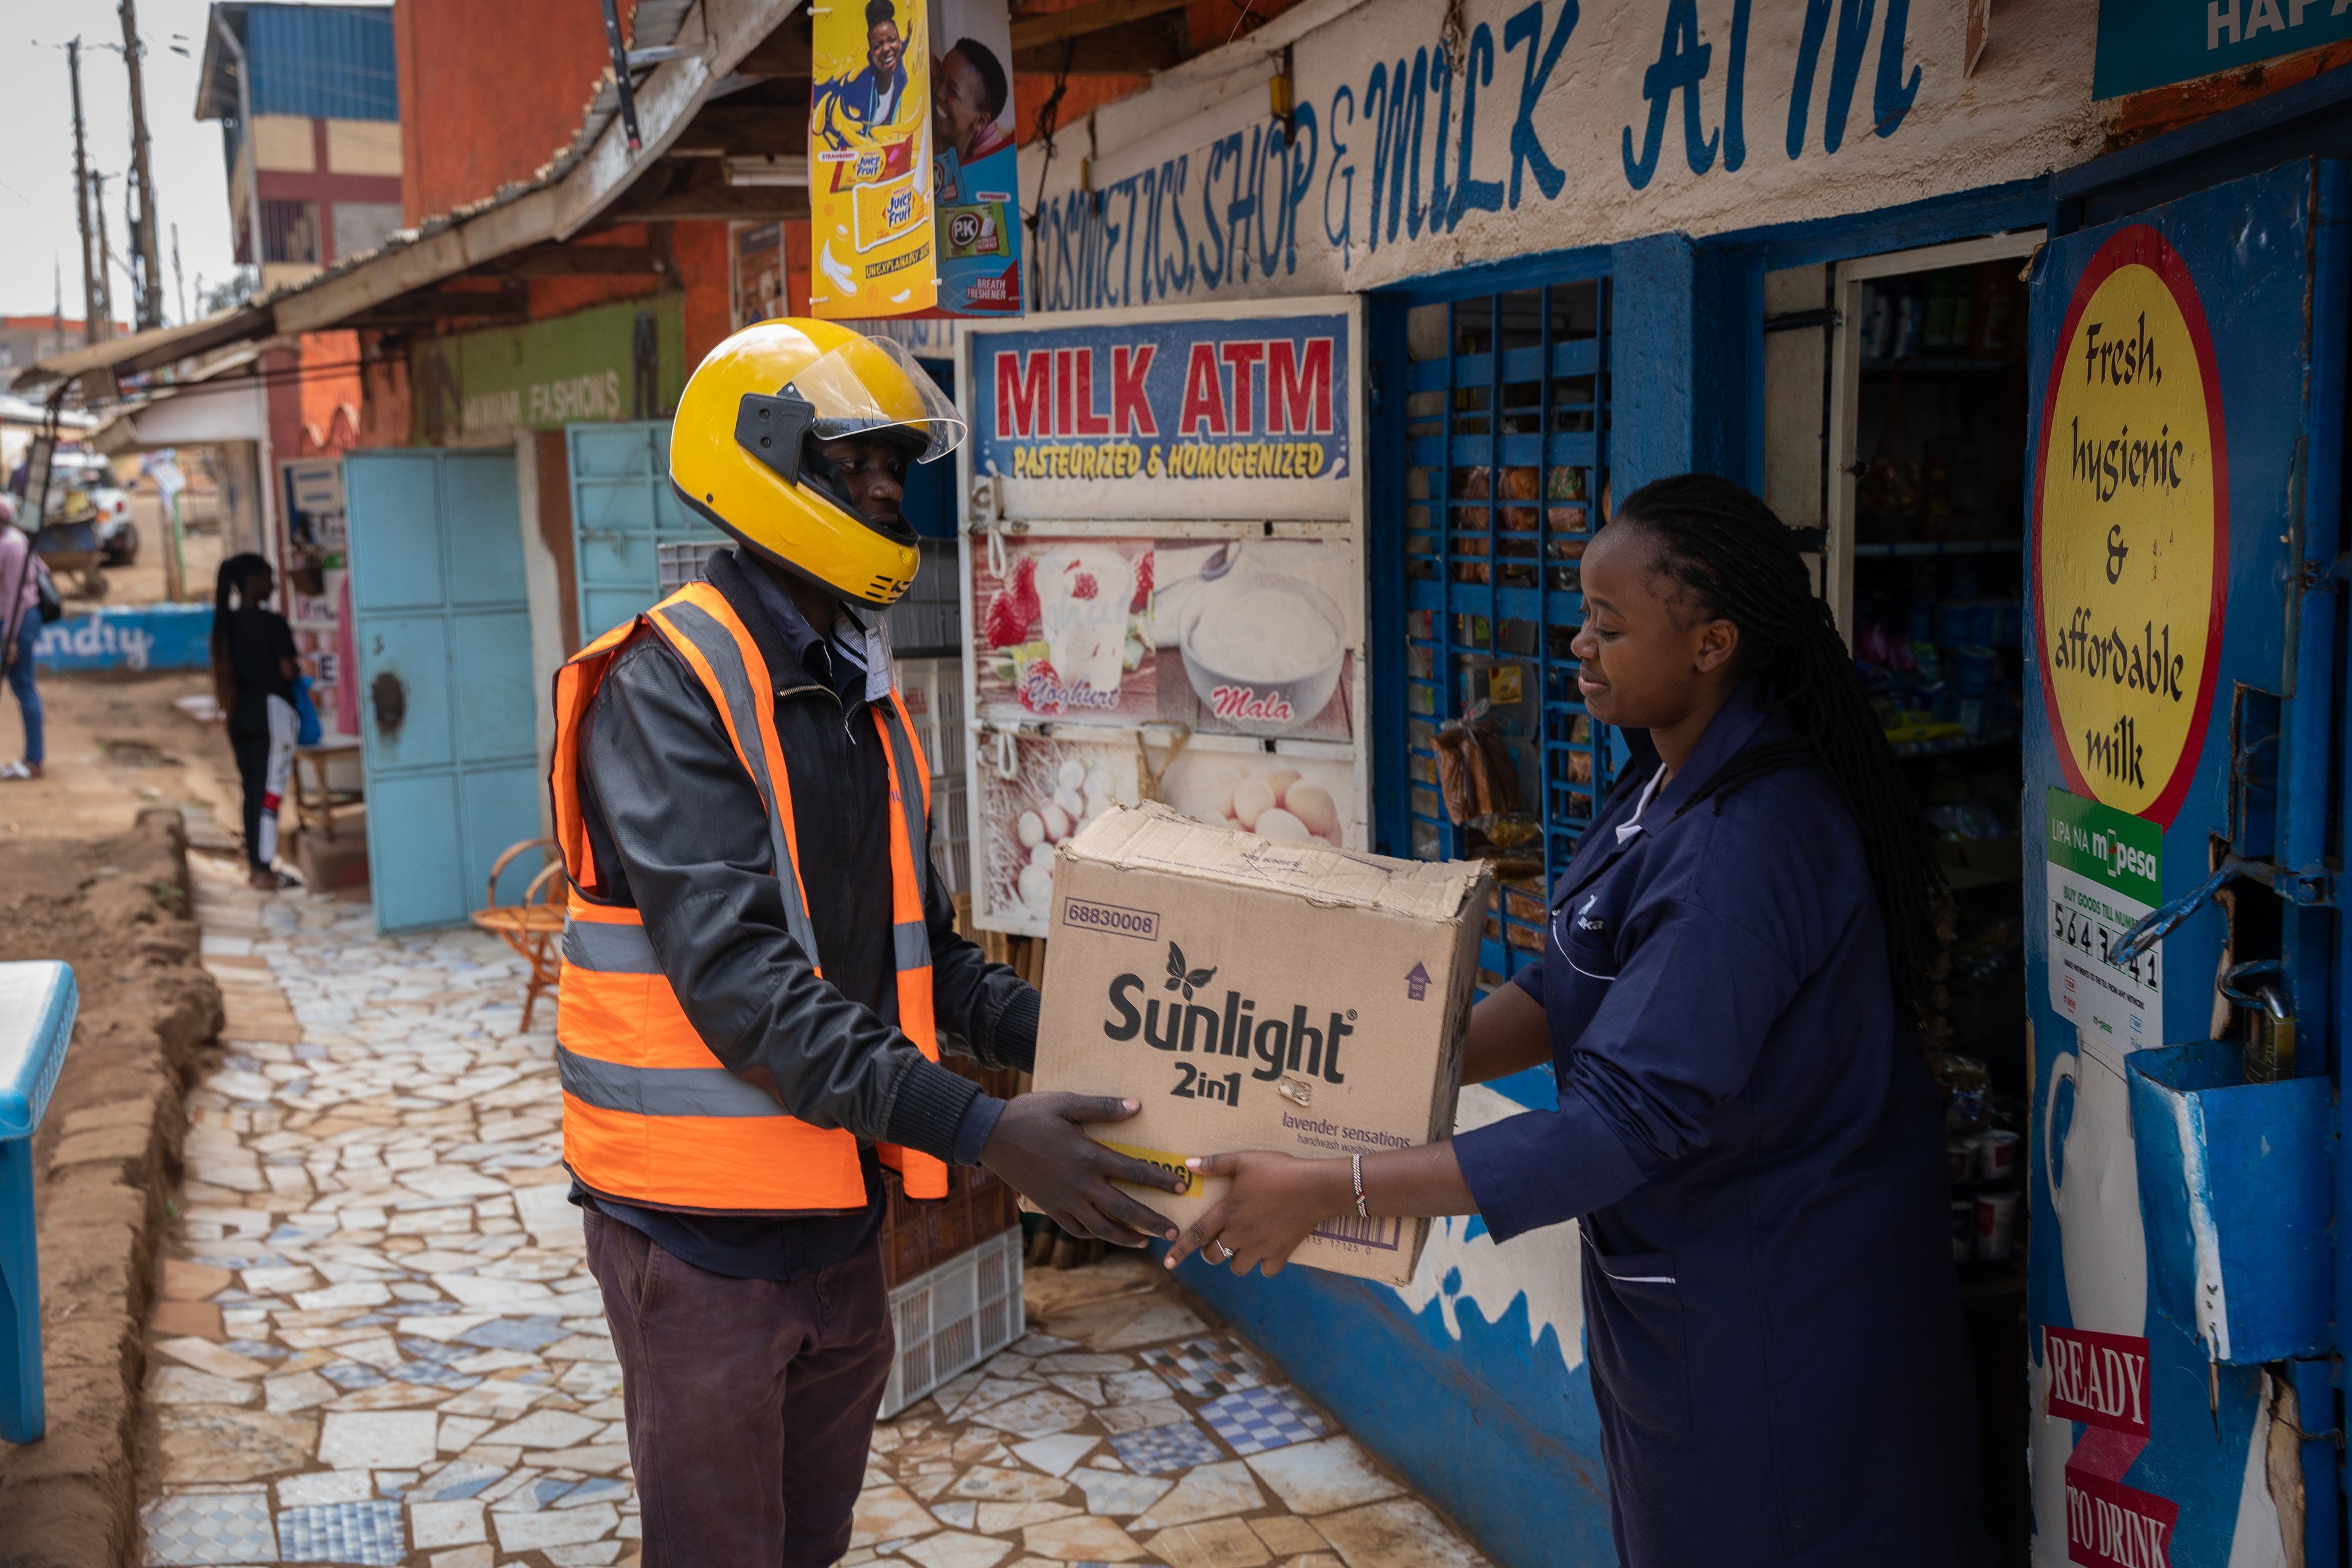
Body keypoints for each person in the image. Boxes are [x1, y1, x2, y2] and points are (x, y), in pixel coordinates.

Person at [1164, 475, 1987, 1567]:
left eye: (1609, 625)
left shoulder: (1746, 848)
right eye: (1579, 618)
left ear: (1713, 644)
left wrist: (1332, 1187)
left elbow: (1614, 1130)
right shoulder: (1662, 782)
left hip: (1779, 1322)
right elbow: (1567, 990)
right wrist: (1351, 1065)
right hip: (1683, 1308)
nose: (1580, 648)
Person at [552, 318, 1184, 1568]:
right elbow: (744, 985)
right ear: (761, 465)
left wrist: (1090, 1029)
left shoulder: (859, 695)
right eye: (857, 465)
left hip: (838, 1213)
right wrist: (989, 1132)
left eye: (898, 464)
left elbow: (921, 952)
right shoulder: (668, 685)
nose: (890, 491)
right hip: (696, 1236)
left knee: (810, 1542)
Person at [211, 553, 300, 889]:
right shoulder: (272, 624)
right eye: (268, 578)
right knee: (270, 791)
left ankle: (257, 865)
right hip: (271, 711)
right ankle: (263, 870)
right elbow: (288, 671)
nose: (274, 584)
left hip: (239, 712)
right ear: (252, 583)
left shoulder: (226, 623)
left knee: (251, 789)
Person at [0, 497, 43, 781]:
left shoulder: (13, 545)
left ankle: (34, 759)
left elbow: (14, 595)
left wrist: (10, 640)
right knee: (21, 686)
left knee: (24, 686)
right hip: (10, 622)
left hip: (17, 622)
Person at [932, 37, 1011, 167]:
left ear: (980, 121)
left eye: (952, 91)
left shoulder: (987, 172)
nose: (939, 93)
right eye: (940, 78)